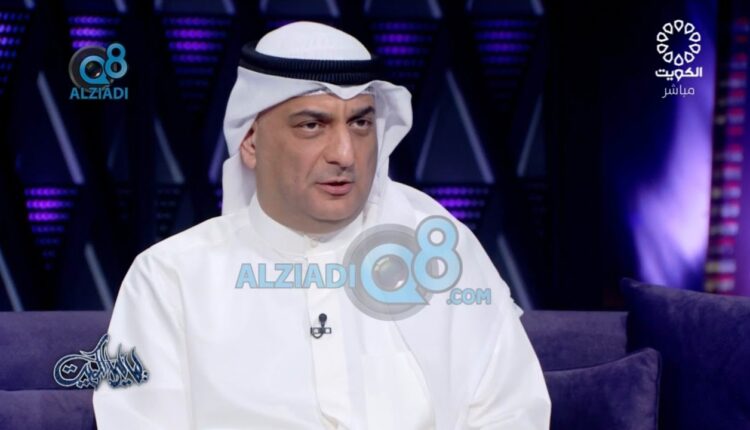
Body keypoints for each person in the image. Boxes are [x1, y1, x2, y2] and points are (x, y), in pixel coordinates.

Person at [93, 21, 551, 429]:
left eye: (361, 123)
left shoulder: (440, 256)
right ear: (251, 142)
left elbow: (511, 412)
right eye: (313, 125)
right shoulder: (168, 277)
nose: (345, 154)